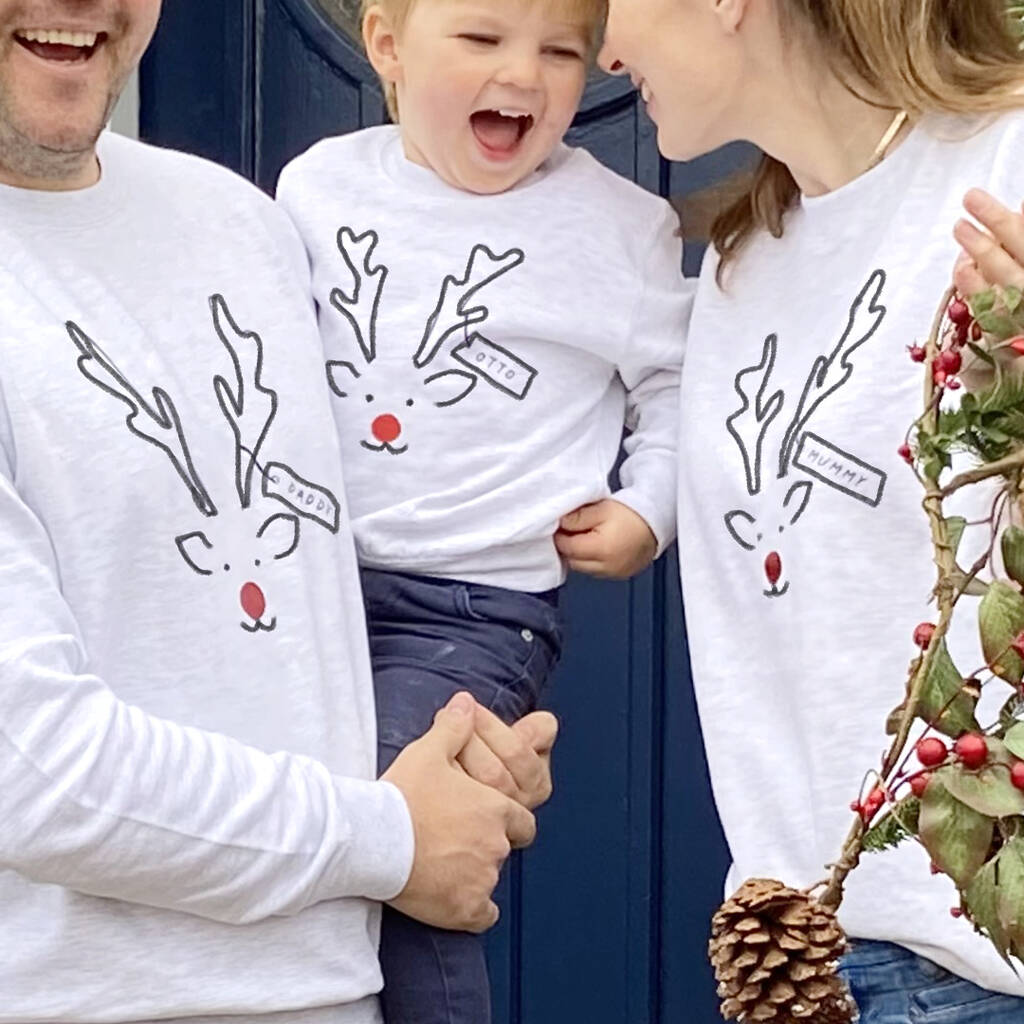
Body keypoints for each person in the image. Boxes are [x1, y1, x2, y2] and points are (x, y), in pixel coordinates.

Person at [0, 3, 557, 1023]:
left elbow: (300, 628)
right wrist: (392, 835)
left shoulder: (239, 221)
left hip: (335, 990)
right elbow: (33, 773)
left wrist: (453, 753)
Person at [596, 0, 1024, 1021]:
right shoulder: (744, 262)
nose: (603, 52)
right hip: (805, 965)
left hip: (987, 976)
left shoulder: (1005, 167)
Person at [276, 0, 690, 1020]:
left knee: (406, 824)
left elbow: (683, 384)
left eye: (560, 51)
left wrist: (648, 508)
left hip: (471, 613)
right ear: (386, 45)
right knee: (288, 835)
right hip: (301, 593)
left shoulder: (619, 226)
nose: (524, 74)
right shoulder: (317, 189)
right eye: (481, 38)